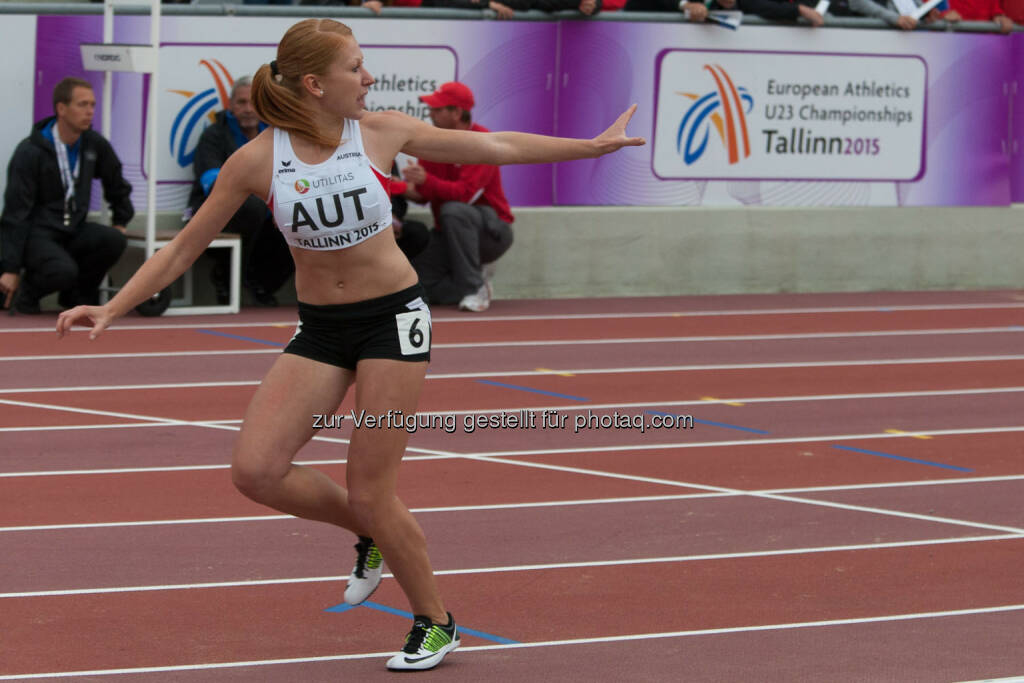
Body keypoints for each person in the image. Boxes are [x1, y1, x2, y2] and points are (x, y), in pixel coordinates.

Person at [56, 18, 643, 672]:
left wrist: (589, 148)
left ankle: (437, 620)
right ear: (314, 83)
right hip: (322, 329)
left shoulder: (381, 132)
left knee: (372, 487)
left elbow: (498, 145)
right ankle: (366, 533)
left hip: (393, 321)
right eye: (356, 67)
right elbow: (183, 247)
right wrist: (111, 305)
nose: (369, 78)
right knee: (255, 470)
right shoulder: (255, 160)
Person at [1, 77, 132, 314]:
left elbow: (116, 181)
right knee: (62, 270)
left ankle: (76, 298)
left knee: (112, 240)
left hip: (74, 229)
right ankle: (27, 295)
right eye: (82, 105)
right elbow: (15, 212)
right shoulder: (31, 151)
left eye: (92, 105)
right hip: (39, 235)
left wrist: (121, 220)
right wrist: (9, 267)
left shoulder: (93, 144)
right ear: (61, 108)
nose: (90, 111)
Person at [403, 81, 514, 313]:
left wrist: (427, 181)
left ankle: (473, 288)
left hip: (492, 232)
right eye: (431, 108)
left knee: (453, 210)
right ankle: (471, 284)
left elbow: (465, 195)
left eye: (437, 108)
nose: (430, 113)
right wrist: (398, 187)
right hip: (449, 231)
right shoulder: (432, 142)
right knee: (415, 288)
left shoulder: (483, 141)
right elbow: (424, 195)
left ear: (456, 113)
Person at [187, 76, 294, 306]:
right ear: (230, 105)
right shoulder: (214, 135)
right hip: (220, 211)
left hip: (267, 210)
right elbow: (211, 181)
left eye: (253, 102)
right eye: (241, 102)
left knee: (300, 217)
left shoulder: (278, 135)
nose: (248, 109)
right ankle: (227, 276)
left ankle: (263, 283)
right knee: (252, 207)